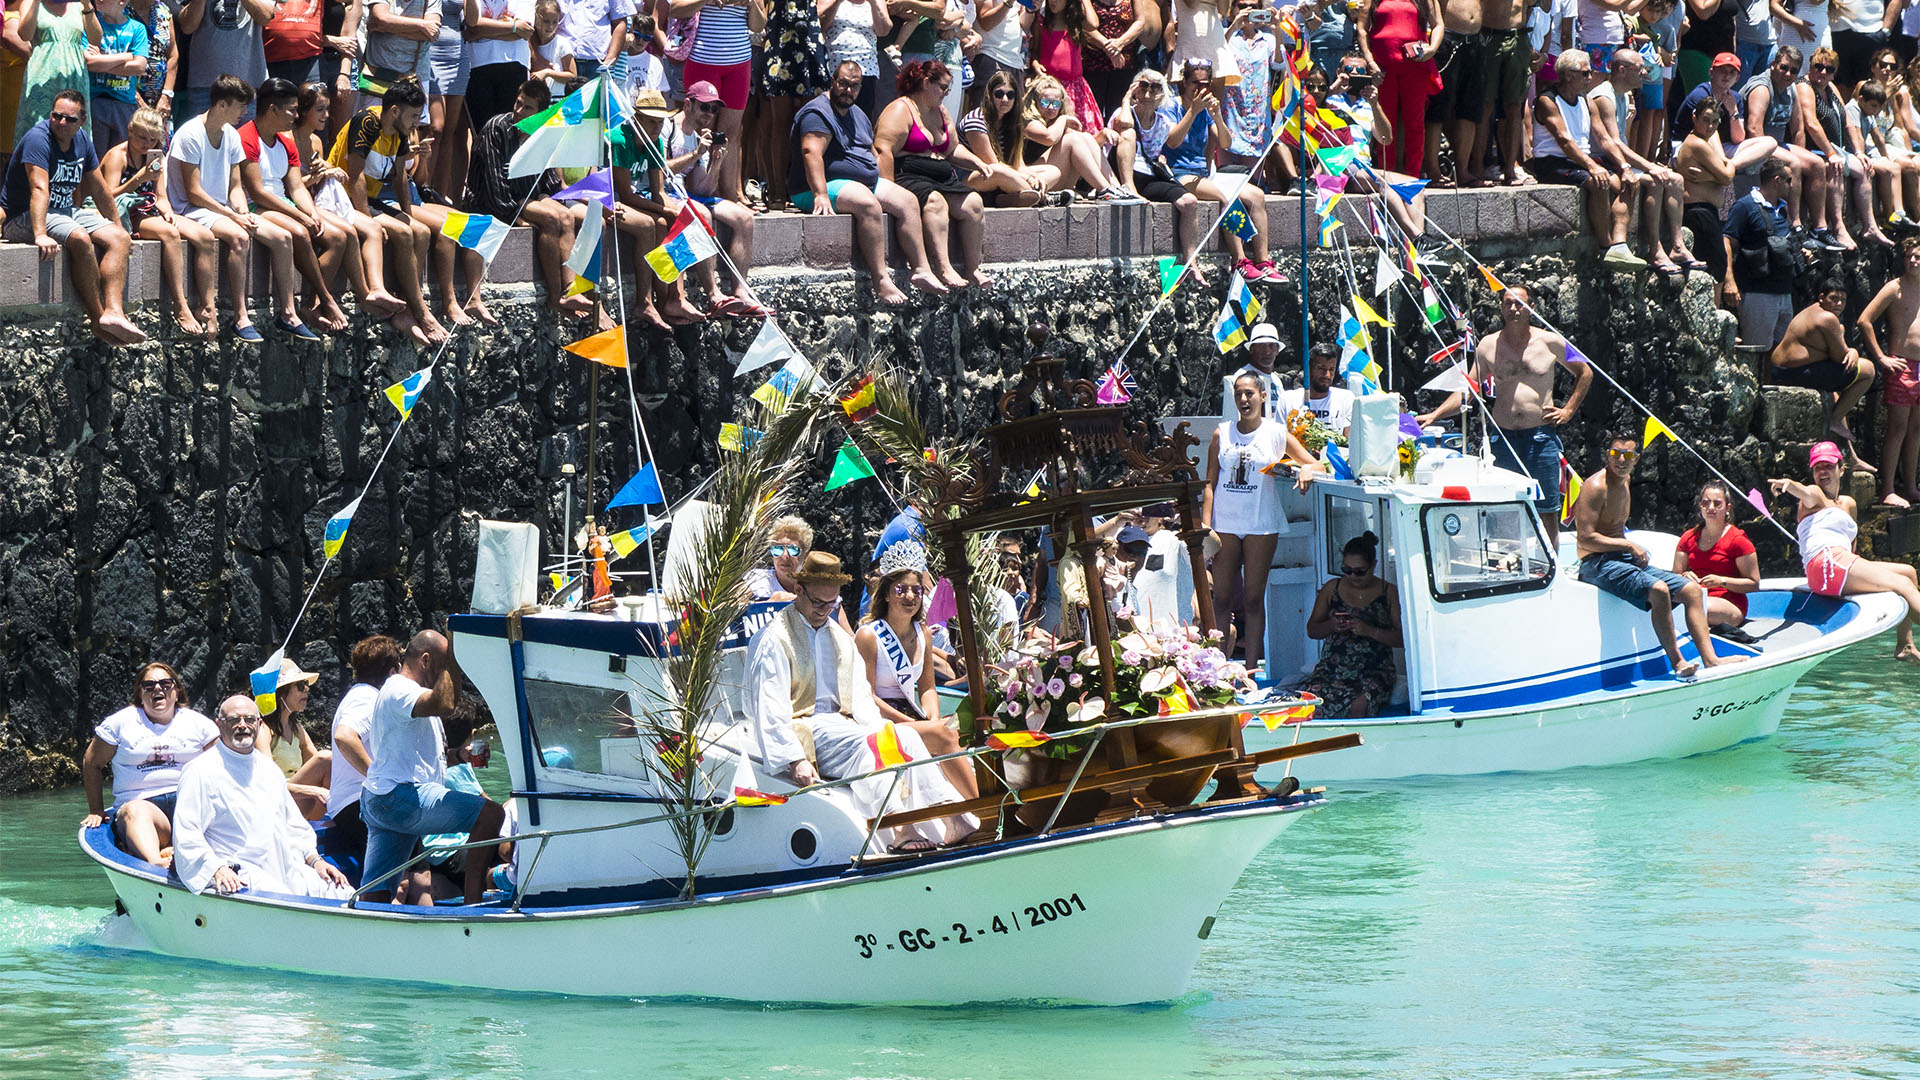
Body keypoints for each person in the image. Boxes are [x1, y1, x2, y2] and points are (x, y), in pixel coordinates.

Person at [743, 551, 974, 852]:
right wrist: (794, 759)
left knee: (903, 736)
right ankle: (900, 826)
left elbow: (862, 695)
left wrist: (879, 728)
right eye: (818, 603)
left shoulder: (837, 636)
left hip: (844, 722)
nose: (825, 611)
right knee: (872, 746)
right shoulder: (774, 638)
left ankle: (951, 815)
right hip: (805, 727)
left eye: (832, 604)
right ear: (799, 590)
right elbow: (769, 705)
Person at [1417, 283, 1590, 545]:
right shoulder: (1488, 345)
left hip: (1540, 437)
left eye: (1519, 303)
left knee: (1546, 510)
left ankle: (1551, 567)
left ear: (1531, 307)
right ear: (1501, 308)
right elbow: (1469, 389)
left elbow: (1585, 372)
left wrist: (1568, 410)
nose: (1513, 308)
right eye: (1507, 303)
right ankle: (1508, 565)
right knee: (1504, 505)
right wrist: (1435, 414)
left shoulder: (1552, 341)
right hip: (1504, 439)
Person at [360, 629, 506, 904]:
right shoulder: (400, 689)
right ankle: (472, 906)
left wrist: (461, 758)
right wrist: (454, 654)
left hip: (383, 800)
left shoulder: (406, 696)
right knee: (490, 814)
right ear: (426, 661)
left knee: (377, 890)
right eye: (443, 665)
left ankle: (368, 929)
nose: (445, 674)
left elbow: (422, 758)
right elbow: (446, 703)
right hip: (397, 797)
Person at [1573, 430, 1734, 678]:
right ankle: (1678, 663)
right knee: (1658, 590)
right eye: (1616, 454)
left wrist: (1627, 549)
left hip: (1621, 558)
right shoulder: (1595, 487)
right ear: (1608, 455)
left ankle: (1711, 660)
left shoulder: (1624, 481)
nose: (1621, 460)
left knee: (1691, 590)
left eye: (1628, 455)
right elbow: (1585, 539)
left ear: (1637, 458)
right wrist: (1628, 546)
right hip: (1597, 563)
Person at [790, 59, 943, 304]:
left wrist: (884, 183)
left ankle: (921, 269)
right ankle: (880, 280)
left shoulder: (858, 115)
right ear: (833, 82)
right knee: (868, 203)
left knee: (907, 200)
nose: (848, 91)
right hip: (815, 188)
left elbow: (871, 152)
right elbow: (812, 153)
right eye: (843, 84)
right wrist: (819, 194)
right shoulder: (817, 112)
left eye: (854, 86)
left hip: (858, 184)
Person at [0, 88, 146, 344]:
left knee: (118, 239)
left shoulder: (83, 141)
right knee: (79, 238)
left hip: (65, 210)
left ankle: (114, 312)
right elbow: (39, 188)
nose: (62, 123)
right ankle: (97, 318)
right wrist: (40, 234)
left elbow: (99, 189)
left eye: (70, 119)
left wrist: (117, 224)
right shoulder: (38, 139)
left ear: (83, 121)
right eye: (56, 116)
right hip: (24, 215)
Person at [171, 695, 353, 898]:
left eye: (249, 719)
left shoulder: (269, 769)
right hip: (239, 873)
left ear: (258, 724)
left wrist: (315, 860)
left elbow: (293, 824)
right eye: (234, 720)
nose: (242, 725)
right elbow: (187, 833)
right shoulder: (199, 771)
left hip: (285, 865)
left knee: (344, 893)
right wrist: (215, 868)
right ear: (219, 725)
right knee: (284, 902)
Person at [1203, 373, 1321, 672]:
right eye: (1239, 395)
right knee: (1221, 599)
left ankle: (1252, 669)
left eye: (1249, 394)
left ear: (1263, 396)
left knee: (1255, 599)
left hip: (1261, 523)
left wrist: (1307, 471)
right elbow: (1209, 482)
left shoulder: (1276, 433)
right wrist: (1206, 527)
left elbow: (1315, 462)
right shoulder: (1222, 433)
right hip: (1225, 525)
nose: (1244, 400)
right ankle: (1216, 669)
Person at [329, 76, 453, 345]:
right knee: (405, 234)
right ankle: (419, 312)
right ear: (394, 111)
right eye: (412, 116)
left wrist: (406, 213)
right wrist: (365, 219)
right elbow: (356, 175)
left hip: (370, 199)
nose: (415, 123)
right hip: (342, 197)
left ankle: (407, 305)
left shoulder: (399, 131)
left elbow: (399, 177)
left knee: (419, 231)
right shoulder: (368, 122)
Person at [1772, 441, 1920, 664]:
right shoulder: (1814, 496)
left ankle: (1905, 645)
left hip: (1842, 561)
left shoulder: (1848, 503)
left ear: (1841, 469)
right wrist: (1788, 484)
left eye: (1828, 466)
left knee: (1908, 572)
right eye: (1817, 467)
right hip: (1825, 564)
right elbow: (1804, 491)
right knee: (1902, 586)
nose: (1823, 471)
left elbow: (1852, 545)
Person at [467, 77, 599, 322]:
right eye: (518, 104)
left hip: (528, 196)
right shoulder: (495, 129)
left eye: (527, 108)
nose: (519, 111)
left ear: (540, 112)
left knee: (565, 215)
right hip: (494, 200)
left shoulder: (541, 132)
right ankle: (555, 295)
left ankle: (569, 288)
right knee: (551, 217)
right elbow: (494, 183)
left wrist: (547, 198)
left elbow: (549, 181)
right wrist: (515, 218)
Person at [855, 541, 979, 798]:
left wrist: (932, 717)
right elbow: (867, 698)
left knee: (962, 728)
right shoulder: (869, 636)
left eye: (917, 590)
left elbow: (927, 688)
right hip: (882, 720)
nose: (910, 596)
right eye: (901, 589)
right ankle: (982, 805)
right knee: (944, 734)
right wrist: (913, 723)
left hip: (913, 714)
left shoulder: (922, 633)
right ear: (887, 594)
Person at [292, 81, 412, 328]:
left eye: (327, 109)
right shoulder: (288, 138)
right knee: (346, 234)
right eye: (320, 110)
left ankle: (376, 289)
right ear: (303, 111)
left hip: (321, 200)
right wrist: (321, 175)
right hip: (298, 204)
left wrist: (327, 170)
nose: (327, 115)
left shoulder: (315, 141)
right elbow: (290, 187)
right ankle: (326, 301)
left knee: (373, 228)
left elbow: (316, 183)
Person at [236, 76, 349, 338]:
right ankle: (326, 299)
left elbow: (297, 187)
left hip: (283, 204)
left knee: (337, 237)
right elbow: (257, 191)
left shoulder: (285, 142)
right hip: (255, 205)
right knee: (299, 233)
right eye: (292, 110)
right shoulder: (247, 137)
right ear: (272, 109)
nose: (296, 115)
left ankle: (311, 304)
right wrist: (300, 217)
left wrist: (311, 213)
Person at [167, 75, 276, 341]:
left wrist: (241, 212)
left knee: (271, 234)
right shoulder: (190, 134)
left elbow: (235, 187)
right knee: (239, 237)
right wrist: (231, 216)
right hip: (188, 209)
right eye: (240, 106)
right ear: (222, 105)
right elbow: (193, 194)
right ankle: (240, 315)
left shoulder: (231, 135)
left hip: (217, 210)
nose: (245, 112)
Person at [79, 661, 219, 867]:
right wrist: (96, 810)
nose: (157, 689)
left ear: (177, 690)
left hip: (190, 805)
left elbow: (224, 766)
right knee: (135, 810)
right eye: (149, 685)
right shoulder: (120, 723)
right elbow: (92, 763)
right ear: (140, 693)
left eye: (165, 683)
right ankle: (156, 861)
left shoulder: (199, 724)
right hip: (144, 806)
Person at [873, 59, 994, 290]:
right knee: (935, 202)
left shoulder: (940, 111)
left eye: (949, 89)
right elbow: (883, 149)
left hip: (941, 177)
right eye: (943, 88)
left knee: (973, 203)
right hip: (909, 175)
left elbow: (951, 149)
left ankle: (973, 268)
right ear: (926, 83)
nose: (946, 94)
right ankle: (944, 268)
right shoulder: (901, 109)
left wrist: (977, 163)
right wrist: (888, 190)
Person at [1589, 47, 1701, 275]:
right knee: (1654, 180)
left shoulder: (1623, 96)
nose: (1645, 74)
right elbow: (1614, 143)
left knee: (1676, 179)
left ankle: (1678, 246)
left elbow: (1623, 139)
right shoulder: (1604, 97)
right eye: (1640, 69)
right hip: (1604, 159)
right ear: (1621, 70)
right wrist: (1647, 165)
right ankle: (1655, 248)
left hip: (1617, 158)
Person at [100, 105, 207, 336]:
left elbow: (161, 197)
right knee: (170, 234)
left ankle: (208, 307)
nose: (146, 144)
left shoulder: (156, 155)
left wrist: (167, 211)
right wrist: (139, 178)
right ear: (130, 131)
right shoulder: (118, 155)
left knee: (203, 236)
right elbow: (108, 196)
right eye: (141, 138)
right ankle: (180, 304)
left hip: (147, 209)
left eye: (152, 139)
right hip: (121, 212)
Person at [1166, 58, 1274, 281]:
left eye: (1205, 84)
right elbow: (1172, 142)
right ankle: (1239, 261)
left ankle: (1263, 260)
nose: (1201, 89)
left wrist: (1216, 116)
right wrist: (1193, 112)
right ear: (1184, 82)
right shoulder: (1172, 106)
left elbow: (1225, 143)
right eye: (1196, 83)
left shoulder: (1206, 110)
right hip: (1178, 173)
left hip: (1204, 174)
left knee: (1256, 196)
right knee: (1227, 197)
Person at [1529, 51, 1639, 267]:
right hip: (1553, 161)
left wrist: (1625, 167)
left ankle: (1619, 243)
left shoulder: (1587, 101)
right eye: (1585, 73)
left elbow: (1605, 139)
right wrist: (1592, 167)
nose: (1591, 77)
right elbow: (1564, 140)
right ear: (1568, 75)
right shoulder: (1547, 100)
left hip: (1580, 159)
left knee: (1625, 183)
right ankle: (1605, 247)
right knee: (1600, 183)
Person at [665, 79, 763, 315]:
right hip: (664, 191)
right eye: (705, 107)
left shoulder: (702, 137)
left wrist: (716, 163)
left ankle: (740, 290)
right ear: (688, 105)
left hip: (687, 193)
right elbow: (661, 169)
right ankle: (713, 294)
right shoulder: (668, 127)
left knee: (744, 218)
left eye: (714, 109)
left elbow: (703, 190)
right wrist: (695, 154)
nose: (710, 114)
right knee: (703, 214)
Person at [1771, 275, 1877, 472]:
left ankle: (1849, 457)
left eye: (1842, 300)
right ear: (1821, 297)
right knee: (1868, 370)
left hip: (1783, 371)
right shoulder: (1827, 318)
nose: (1838, 304)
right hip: (1794, 373)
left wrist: (1846, 348)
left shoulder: (1812, 311)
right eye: (1833, 299)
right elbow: (1841, 359)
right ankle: (1835, 420)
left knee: (1837, 394)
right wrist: (1852, 351)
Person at [319, 634, 402, 880]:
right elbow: (345, 737)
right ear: (392, 672)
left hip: (353, 803)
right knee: (412, 872)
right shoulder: (367, 699)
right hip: (358, 804)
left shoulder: (360, 695)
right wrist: (378, 778)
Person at [1106, 68, 1202, 268]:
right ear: (1135, 90)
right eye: (1143, 86)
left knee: (1190, 202)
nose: (1148, 93)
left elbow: (1174, 142)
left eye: (1155, 88)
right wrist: (1126, 99)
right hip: (1119, 171)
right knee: (1129, 134)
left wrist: (1193, 110)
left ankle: (1191, 262)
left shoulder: (1162, 122)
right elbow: (1123, 124)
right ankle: (1128, 188)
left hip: (1147, 175)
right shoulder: (1124, 113)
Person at [1302, 531, 1402, 717]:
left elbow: (1402, 638)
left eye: (1359, 571)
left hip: (1375, 670)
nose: (1352, 576)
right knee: (1312, 702)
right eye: (1347, 570)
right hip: (1332, 669)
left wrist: (1370, 631)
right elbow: (1312, 630)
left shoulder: (1388, 592)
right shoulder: (1332, 588)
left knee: (1360, 704)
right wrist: (1332, 625)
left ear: (1373, 566)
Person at [672, 0, 758, 202]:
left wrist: (752, 3)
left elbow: (758, 26)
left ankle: (730, 197)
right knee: (703, 131)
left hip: (740, 62)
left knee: (731, 135)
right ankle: (700, 194)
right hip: (703, 60)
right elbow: (676, 9)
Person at [1857, 237, 1920, 506]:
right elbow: (1864, 320)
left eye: (1918, 257)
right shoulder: (1894, 288)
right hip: (1901, 363)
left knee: (1917, 429)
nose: (1913, 261)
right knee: (1897, 427)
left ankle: (1911, 486)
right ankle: (1888, 489)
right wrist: (1881, 357)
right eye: (1909, 256)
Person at [1356, 0, 1441, 177]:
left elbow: (1438, 24)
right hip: (1383, 69)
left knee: (1415, 122)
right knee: (1385, 123)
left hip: (1415, 66)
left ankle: (1413, 175)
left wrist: (1432, 49)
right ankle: (1387, 174)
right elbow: (1362, 29)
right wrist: (1370, 62)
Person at [1018, 72, 1134, 201]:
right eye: (1045, 102)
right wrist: (1063, 118)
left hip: (1059, 178)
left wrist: (1102, 136)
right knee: (1073, 139)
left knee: (1085, 137)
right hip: (1038, 178)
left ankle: (1115, 188)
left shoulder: (1056, 122)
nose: (1051, 107)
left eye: (1056, 104)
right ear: (1034, 102)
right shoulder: (1029, 121)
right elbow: (1048, 138)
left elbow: (1083, 150)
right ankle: (1104, 190)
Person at [1723, 156, 1800, 347]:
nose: (1792, 185)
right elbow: (1726, 240)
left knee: (1783, 354)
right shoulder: (1745, 206)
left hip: (1784, 292)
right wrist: (1729, 281)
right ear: (1777, 180)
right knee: (1757, 351)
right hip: (1758, 293)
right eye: (1789, 180)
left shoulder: (1781, 209)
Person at [1671, 479, 1761, 641]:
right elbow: (1674, 576)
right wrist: (1684, 576)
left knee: (1697, 608)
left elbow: (1753, 584)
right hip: (1695, 597)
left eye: (1717, 504)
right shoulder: (1688, 538)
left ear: (1727, 508)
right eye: (1706, 503)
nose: (1711, 508)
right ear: (1700, 506)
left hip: (1728, 603)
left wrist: (1722, 581)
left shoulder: (1738, 540)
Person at [959, 68, 1056, 205]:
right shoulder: (975, 121)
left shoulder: (1013, 122)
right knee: (999, 171)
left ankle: (1010, 197)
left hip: (1005, 174)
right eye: (999, 94)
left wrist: (1032, 176)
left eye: (1010, 95)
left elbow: (1018, 166)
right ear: (989, 95)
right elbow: (991, 165)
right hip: (972, 176)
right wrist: (1028, 179)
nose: (1005, 99)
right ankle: (1043, 197)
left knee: (1053, 171)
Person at [1676, 98, 1737, 288]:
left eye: (1715, 121)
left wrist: (1708, 177)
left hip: (1706, 211)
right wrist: (1731, 163)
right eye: (1706, 120)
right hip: (1698, 211)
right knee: (1715, 267)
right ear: (1694, 118)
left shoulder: (1704, 142)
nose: (1710, 126)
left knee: (1715, 267)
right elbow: (1726, 176)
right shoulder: (1698, 144)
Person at [13, 0, 92, 147]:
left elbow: (96, 39)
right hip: (42, 78)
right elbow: (25, 35)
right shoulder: (30, 3)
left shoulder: (79, 6)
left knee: (72, 131)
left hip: (74, 78)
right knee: (37, 136)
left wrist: (87, 6)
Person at [178, 0, 271, 121]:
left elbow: (266, 17)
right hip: (205, 87)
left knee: (243, 139)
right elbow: (187, 27)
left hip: (248, 86)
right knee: (202, 138)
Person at [464, 0, 537, 133]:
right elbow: (472, 25)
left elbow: (525, 31)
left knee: (511, 132)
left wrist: (481, 32)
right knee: (483, 132)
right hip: (478, 66)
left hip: (516, 65)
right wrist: (514, 27)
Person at [1123, 502, 1196, 633]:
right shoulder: (1118, 538)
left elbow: (1213, 545)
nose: (1141, 512)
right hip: (1128, 633)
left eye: (1148, 507)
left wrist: (1188, 518)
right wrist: (1115, 522)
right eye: (1136, 506)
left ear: (1160, 515)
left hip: (1170, 633)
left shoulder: (1174, 539)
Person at [85, 0, 146, 151]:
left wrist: (102, 61)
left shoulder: (137, 28)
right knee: (96, 158)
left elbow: (139, 66)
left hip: (125, 103)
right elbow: (90, 63)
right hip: (96, 101)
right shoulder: (91, 25)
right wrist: (126, 56)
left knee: (120, 156)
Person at [823, 0, 895, 118]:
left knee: (861, 117)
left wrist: (874, 3)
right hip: (836, 68)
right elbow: (821, 23)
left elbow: (883, 30)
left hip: (866, 70)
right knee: (832, 115)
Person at [1280, 341, 1358, 437]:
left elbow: (1350, 440)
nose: (1327, 375)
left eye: (1331, 369)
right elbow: (1280, 440)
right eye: (1321, 368)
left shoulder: (1346, 398)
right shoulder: (1287, 400)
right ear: (1308, 369)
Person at [1220, 319, 1284, 419]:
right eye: (1262, 346)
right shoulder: (1241, 377)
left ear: (1277, 351)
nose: (1267, 352)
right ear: (1251, 349)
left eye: (1271, 346)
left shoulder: (1276, 380)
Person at [748, 515, 812, 601]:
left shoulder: (815, 586)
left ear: (805, 555)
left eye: (793, 549)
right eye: (778, 549)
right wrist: (770, 604)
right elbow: (729, 607)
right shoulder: (757, 580)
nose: (784, 555)